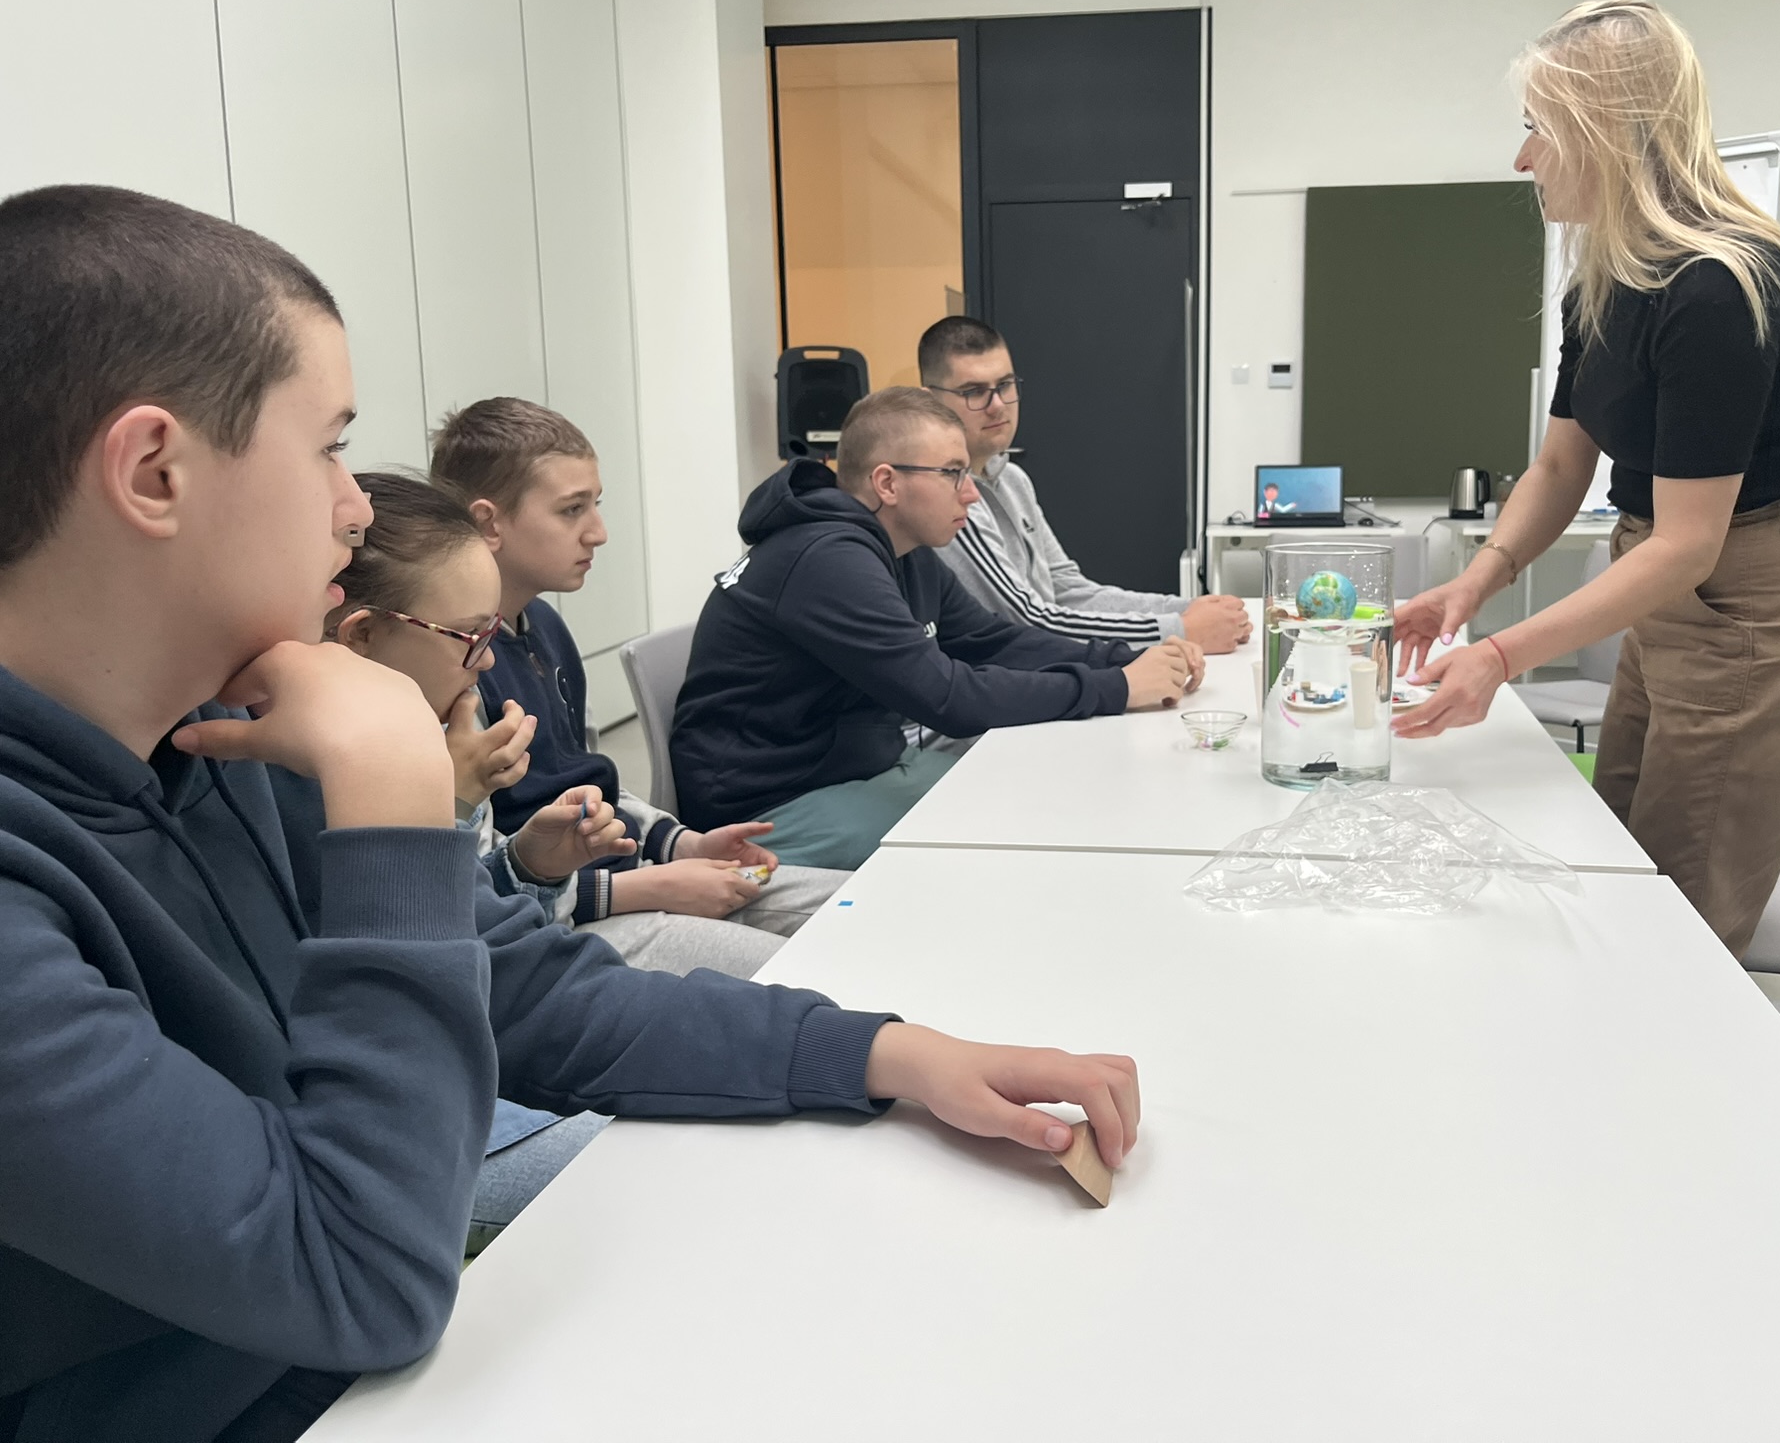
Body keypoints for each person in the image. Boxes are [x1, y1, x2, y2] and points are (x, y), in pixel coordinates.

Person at [0, 184, 1141, 1442]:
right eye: (326, 447)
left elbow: (539, 998)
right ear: (154, 471)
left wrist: (888, 1057)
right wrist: (393, 812)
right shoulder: (257, 766)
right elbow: (360, 1280)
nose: (355, 505)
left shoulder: (236, 722)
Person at [1391, 0, 1780, 958]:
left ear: (1604, 131)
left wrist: (1499, 657)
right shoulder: (1604, 279)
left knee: (1679, 914)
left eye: (1538, 128)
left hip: (1757, 605)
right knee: (1621, 853)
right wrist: (1475, 584)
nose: (1522, 159)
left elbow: (1690, 543)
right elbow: (1561, 462)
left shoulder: (1720, 287)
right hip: (1667, 590)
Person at [673, 386, 1203, 871]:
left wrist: (1125, 659)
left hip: (852, 767)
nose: (970, 494)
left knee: (1036, 791)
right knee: (1012, 830)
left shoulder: (903, 551)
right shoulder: (826, 560)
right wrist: (1119, 687)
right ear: (887, 483)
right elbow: (949, 699)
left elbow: (994, 641)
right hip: (768, 806)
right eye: (952, 473)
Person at [327, 470, 793, 980]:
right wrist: (459, 801)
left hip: (565, 903)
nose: (598, 532)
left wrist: (536, 863)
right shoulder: (370, 758)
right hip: (548, 941)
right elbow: (447, 939)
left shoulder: (469, 684)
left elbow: (492, 892)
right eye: (572, 508)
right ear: (362, 635)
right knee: (797, 978)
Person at [428, 399, 844, 969]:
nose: (598, 533)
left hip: (630, 879)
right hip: (564, 922)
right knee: (818, 970)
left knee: (860, 907)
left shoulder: (544, 625)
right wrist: (651, 887)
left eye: (595, 505)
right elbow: (479, 887)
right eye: (572, 510)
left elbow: (586, 783)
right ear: (488, 523)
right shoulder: (453, 666)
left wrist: (682, 845)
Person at [919, 316, 1250, 654]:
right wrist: (1183, 629)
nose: (998, 405)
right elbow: (1026, 622)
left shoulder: (1013, 480)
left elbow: (1068, 591)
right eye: (974, 392)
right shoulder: (946, 495)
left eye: (1005, 385)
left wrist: (1192, 609)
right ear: (931, 401)